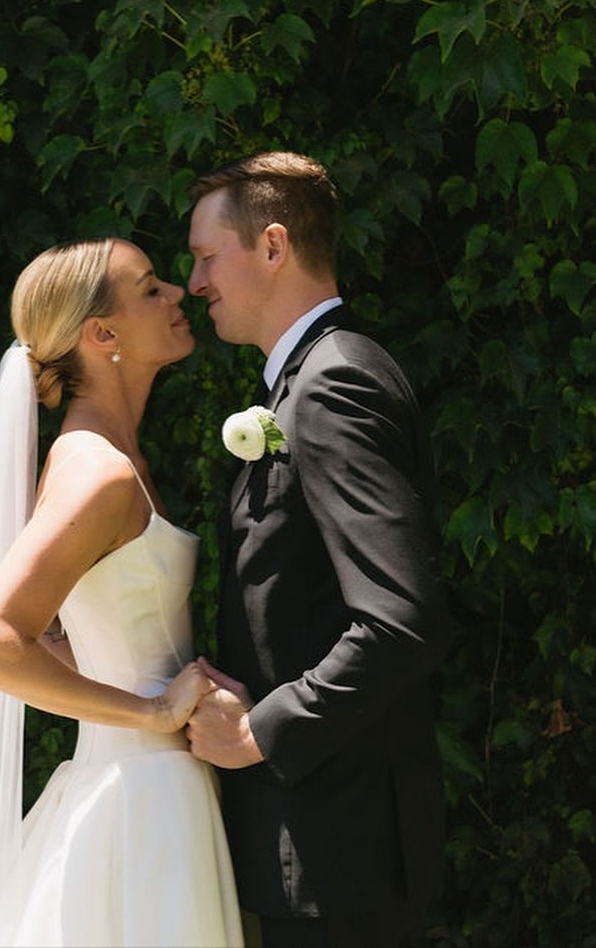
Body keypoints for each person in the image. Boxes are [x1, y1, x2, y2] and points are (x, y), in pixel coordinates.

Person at [0, 237, 243, 947]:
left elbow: (61, 627)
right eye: (150, 289)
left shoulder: (114, 460)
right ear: (100, 334)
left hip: (159, 789)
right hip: (138, 799)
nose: (177, 293)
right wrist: (147, 713)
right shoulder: (98, 473)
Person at [184, 151, 450, 948]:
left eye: (205, 256)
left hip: (337, 849)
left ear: (272, 246)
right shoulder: (309, 378)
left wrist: (263, 730)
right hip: (320, 847)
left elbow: (401, 622)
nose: (195, 283)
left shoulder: (333, 383)